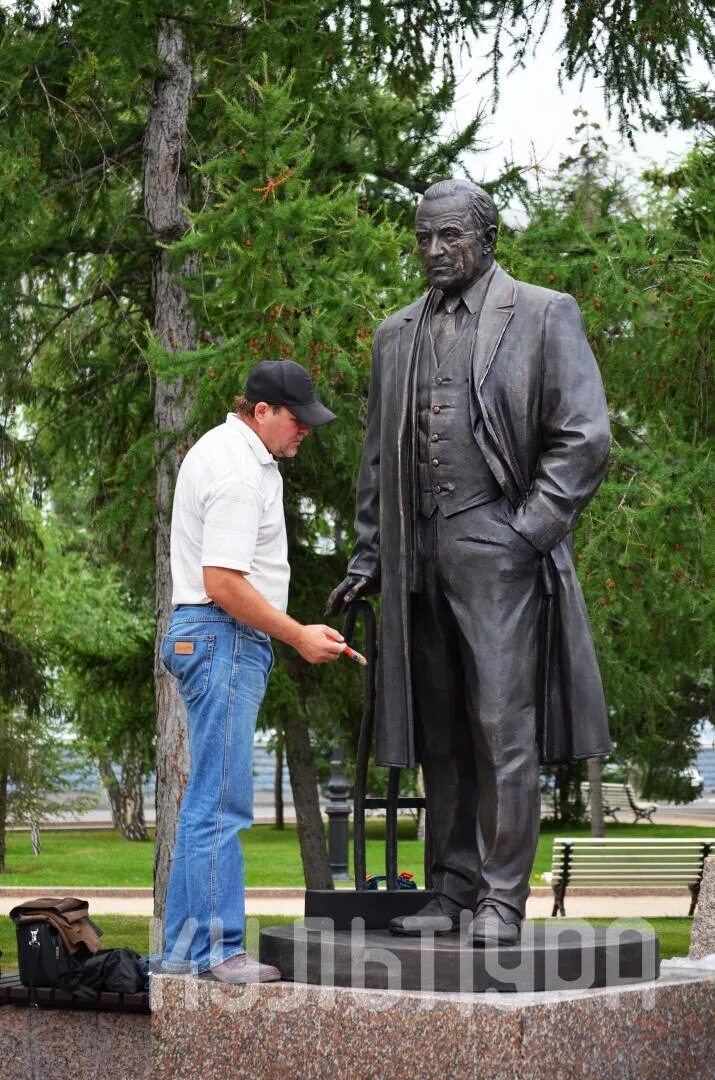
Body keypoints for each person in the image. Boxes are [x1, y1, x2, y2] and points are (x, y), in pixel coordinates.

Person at [326, 180, 612, 946]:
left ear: (485, 238)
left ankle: (500, 897)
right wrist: (368, 553)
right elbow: (376, 460)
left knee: (499, 726)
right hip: (417, 556)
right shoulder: (396, 334)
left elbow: (584, 437)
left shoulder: (543, 313)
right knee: (441, 730)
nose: (431, 251)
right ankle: (450, 890)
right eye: (422, 238)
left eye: (447, 236)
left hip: (499, 549)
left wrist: (526, 535)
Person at [161, 359, 344, 982]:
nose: (305, 432)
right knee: (221, 803)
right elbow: (222, 582)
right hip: (224, 637)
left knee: (204, 801)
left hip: (208, 638)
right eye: (297, 420)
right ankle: (216, 952)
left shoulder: (225, 453)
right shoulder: (240, 470)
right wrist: (296, 635)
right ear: (260, 412)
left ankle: (185, 955)